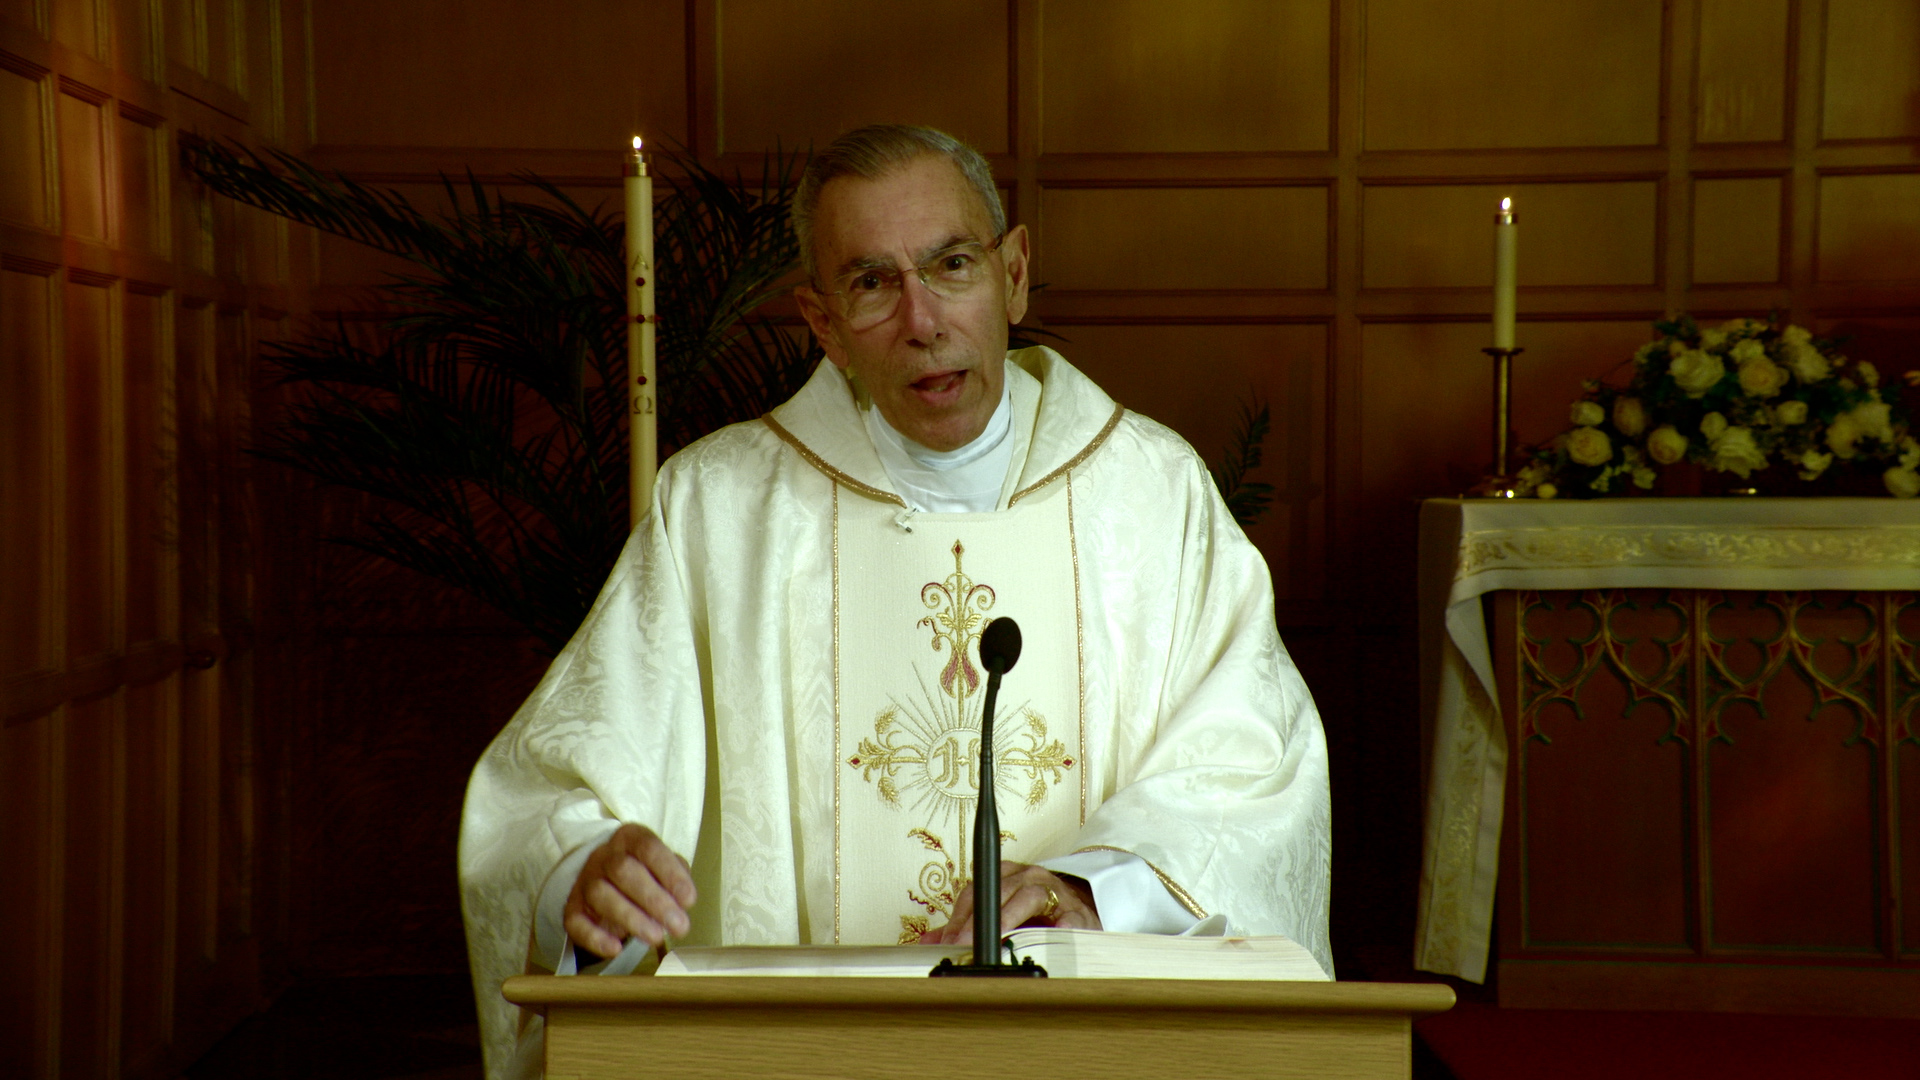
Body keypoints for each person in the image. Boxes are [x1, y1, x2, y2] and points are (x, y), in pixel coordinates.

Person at [458, 124, 1331, 1079]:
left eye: (952, 265)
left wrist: (1095, 887)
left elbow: (1256, 765)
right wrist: (583, 868)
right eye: (873, 283)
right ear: (823, 324)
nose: (923, 321)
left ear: (1014, 275)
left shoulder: (1152, 496)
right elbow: (553, 786)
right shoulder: (721, 511)